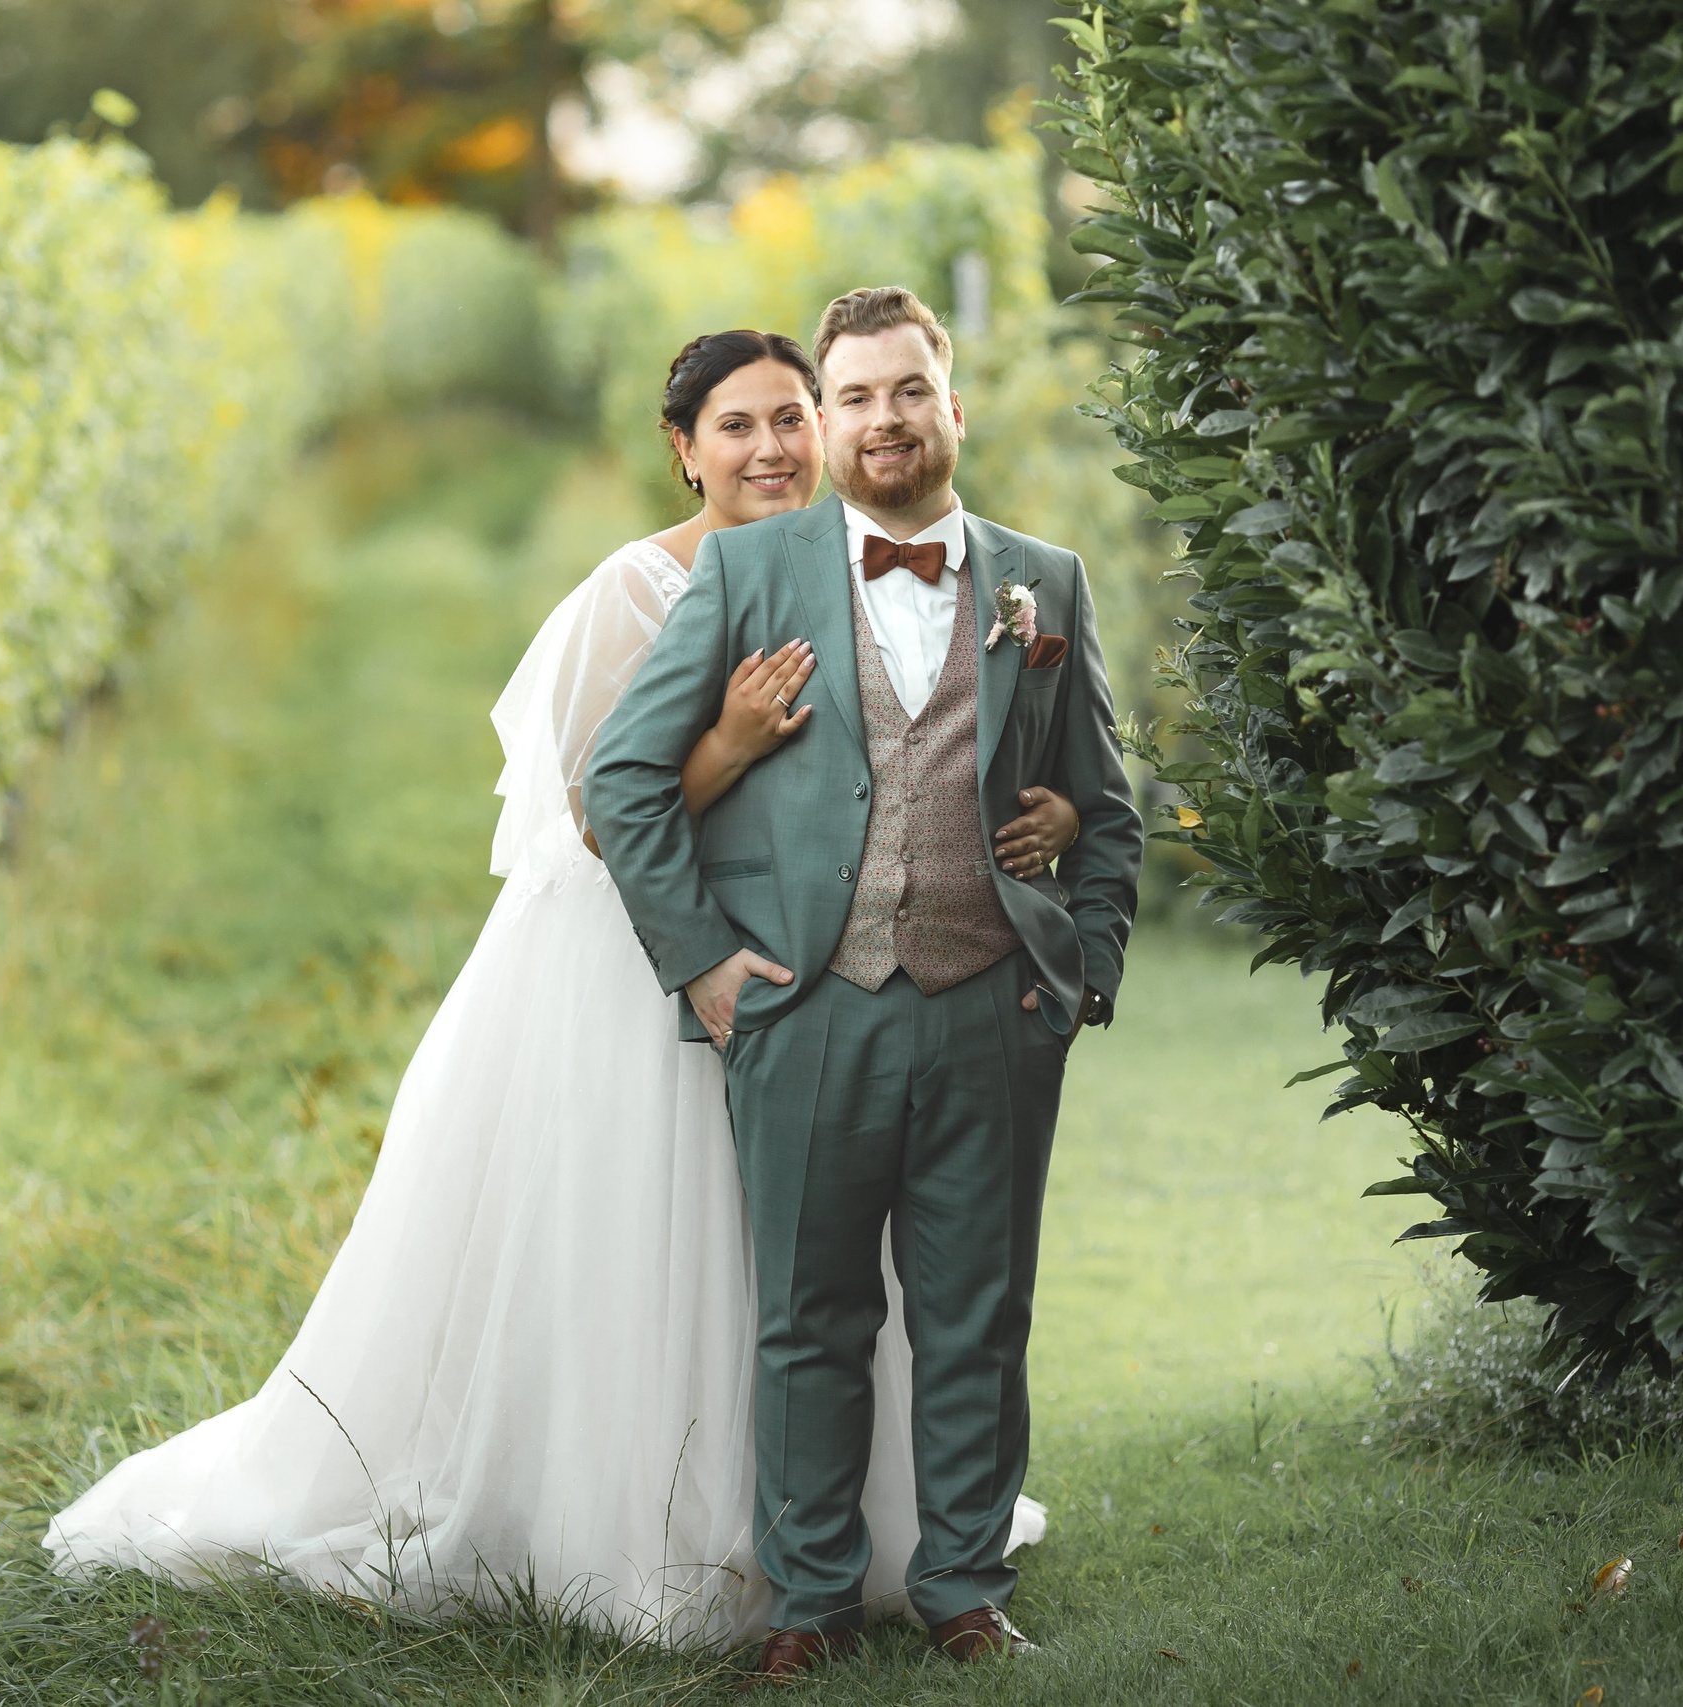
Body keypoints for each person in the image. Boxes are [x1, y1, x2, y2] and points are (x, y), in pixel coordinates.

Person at [42, 328, 1084, 1648]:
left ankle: (853, 1538)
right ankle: (644, 1525)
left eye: (787, 419)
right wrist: (735, 741)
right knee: (660, 1239)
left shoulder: (862, 572)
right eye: (735, 427)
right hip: (643, 950)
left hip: (825, 966)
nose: (769, 448)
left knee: (820, 1266)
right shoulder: (635, 590)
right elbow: (605, 806)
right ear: (683, 450)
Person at [586, 287, 1143, 1683]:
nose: (883, 419)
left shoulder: (1044, 582)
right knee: (808, 1320)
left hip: (993, 1008)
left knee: (976, 1312)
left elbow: (1107, 804)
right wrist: (707, 965)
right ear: (826, 423)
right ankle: (810, 1602)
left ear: (953, 408)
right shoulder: (749, 575)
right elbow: (622, 781)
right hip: (807, 1008)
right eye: (854, 397)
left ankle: (964, 1586)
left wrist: (1085, 970)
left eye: (908, 391)